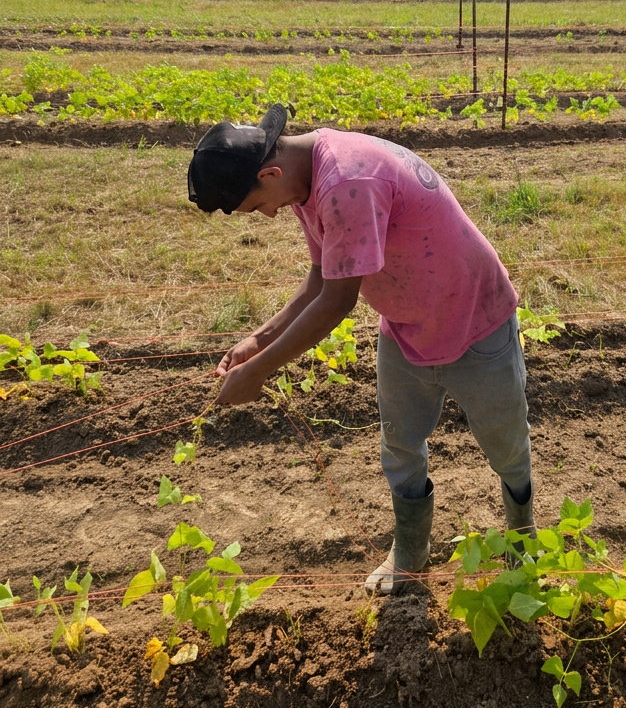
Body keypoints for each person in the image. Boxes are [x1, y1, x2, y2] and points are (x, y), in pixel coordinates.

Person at [187, 104, 535, 594]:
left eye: (257, 205)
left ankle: (523, 535)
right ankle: (410, 553)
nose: (268, 213)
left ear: (269, 172)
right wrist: (259, 340)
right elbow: (320, 276)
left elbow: (337, 300)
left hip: (474, 319)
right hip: (405, 323)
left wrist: (260, 372)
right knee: (400, 446)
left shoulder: (347, 181)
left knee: (506, 446)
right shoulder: (303, 182)